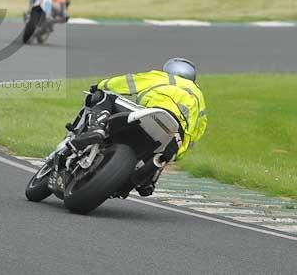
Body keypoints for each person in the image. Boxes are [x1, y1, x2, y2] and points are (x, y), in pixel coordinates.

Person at [69, 58, 207, 197]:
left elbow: (127, 82)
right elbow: (197, 133)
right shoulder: (199, 97)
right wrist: (177, 153)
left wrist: (100, 85)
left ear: (169, 71)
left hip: (152, 114)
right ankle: (147, 179)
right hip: (175, 134)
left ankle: (96, 128)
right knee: (163, 155)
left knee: (106, 95)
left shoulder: (162, 77)